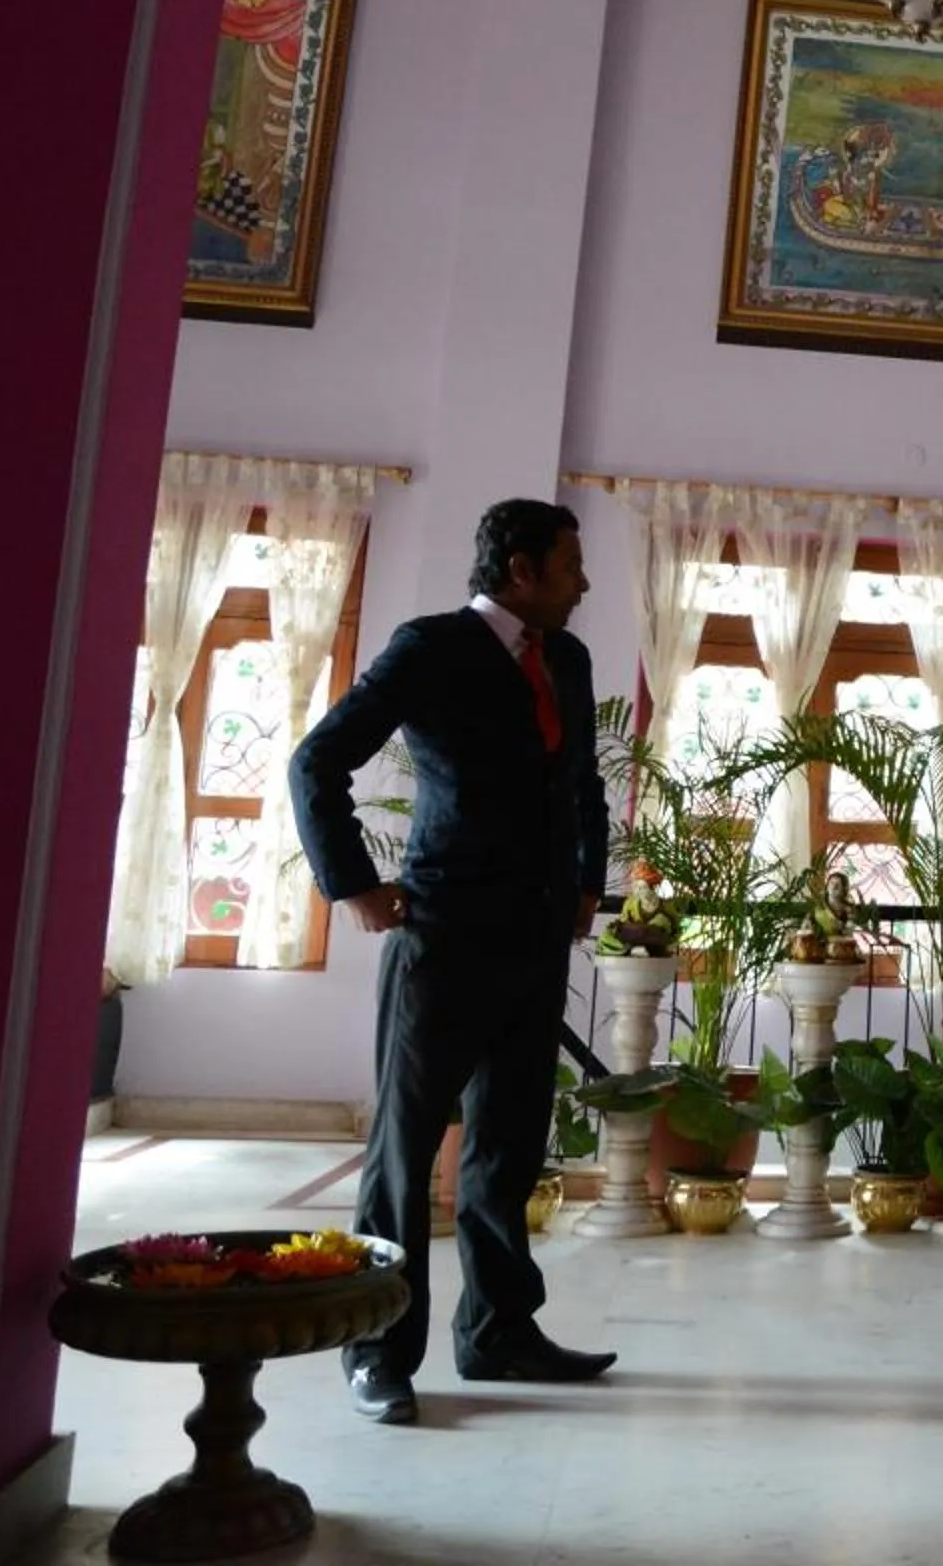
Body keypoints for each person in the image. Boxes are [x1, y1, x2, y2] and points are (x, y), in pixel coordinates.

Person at [288, 500, 616, 1424]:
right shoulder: (430, 647)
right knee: (404, 1152)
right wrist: (352, 884)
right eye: (570, 565)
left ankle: (499, 1331)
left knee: (506, 1149)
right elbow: (318, 762)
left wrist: (588, 881)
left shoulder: (571, 658)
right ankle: (378, 1351)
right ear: (520, 569)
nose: (583, 583)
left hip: (537, 936)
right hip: (444, 935)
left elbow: (582, 778)